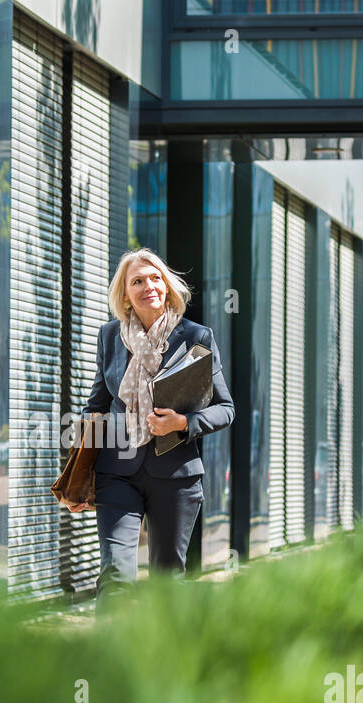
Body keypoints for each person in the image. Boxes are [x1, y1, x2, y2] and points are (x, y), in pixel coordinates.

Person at [71, 248, 234, 611]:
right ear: (125, 294)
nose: (149, 286)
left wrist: (184, 423)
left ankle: (164, 663)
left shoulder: (196, 337)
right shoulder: (110, 337)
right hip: (117, 473)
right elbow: (96, 407)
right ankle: (108, 662)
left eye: (155, 278)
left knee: (167, 580)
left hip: (176, 476)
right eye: (137, 281)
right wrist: (78, 473)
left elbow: (226, 409)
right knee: (115, 575)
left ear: (168, 285)